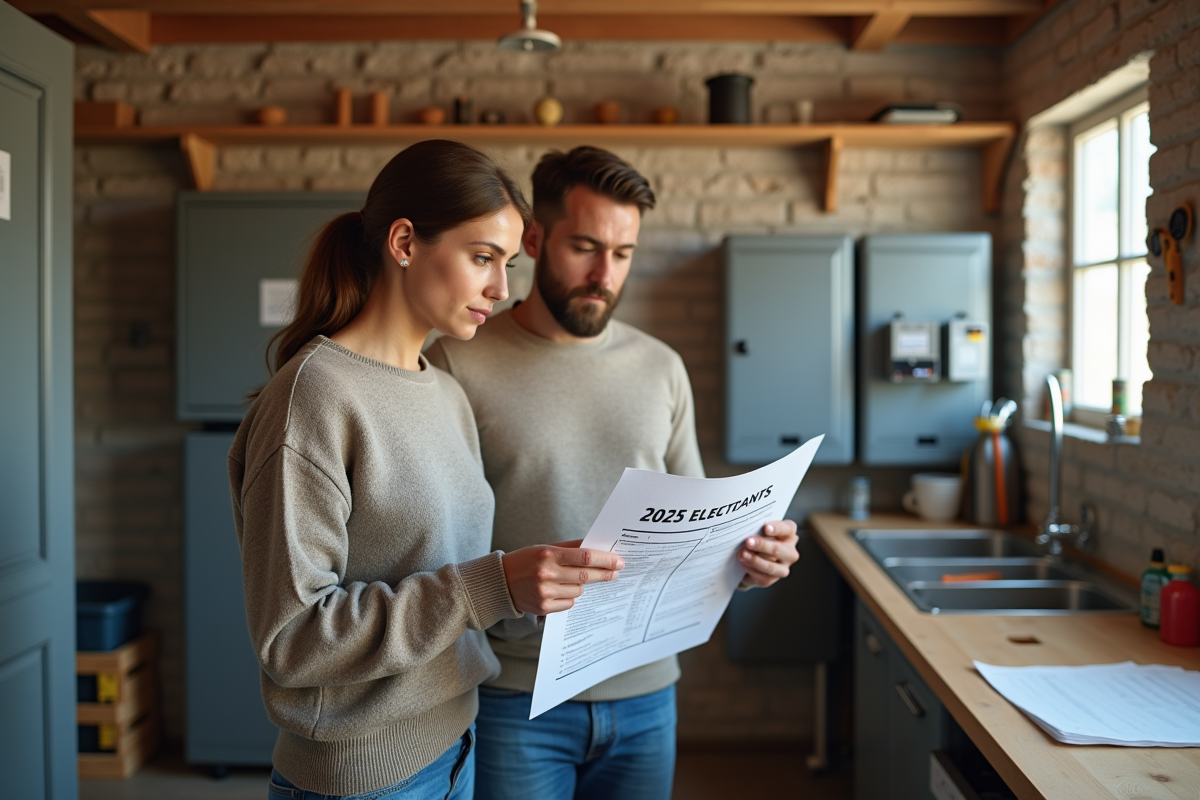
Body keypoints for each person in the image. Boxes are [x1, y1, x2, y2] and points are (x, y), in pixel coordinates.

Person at [227, 140, 625, 800]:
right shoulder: (316, 398)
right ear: (406, 242)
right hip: (361, 781)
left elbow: (455, 586)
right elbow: (293, 639)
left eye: (509, 264)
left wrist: (541, 589)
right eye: (483, 258)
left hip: (456, 751)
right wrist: (488, 586)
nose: (501, 289)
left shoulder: (443, 391)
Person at [425, 145, 801, 800]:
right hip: (517, 696)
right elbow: (434, 548)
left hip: (648, 695)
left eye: (623, 254)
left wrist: (752, 560)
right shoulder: (459, 364)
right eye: (586, 247)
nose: (604, 273)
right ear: (535, 239)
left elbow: (700, 534)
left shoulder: (662, 368)